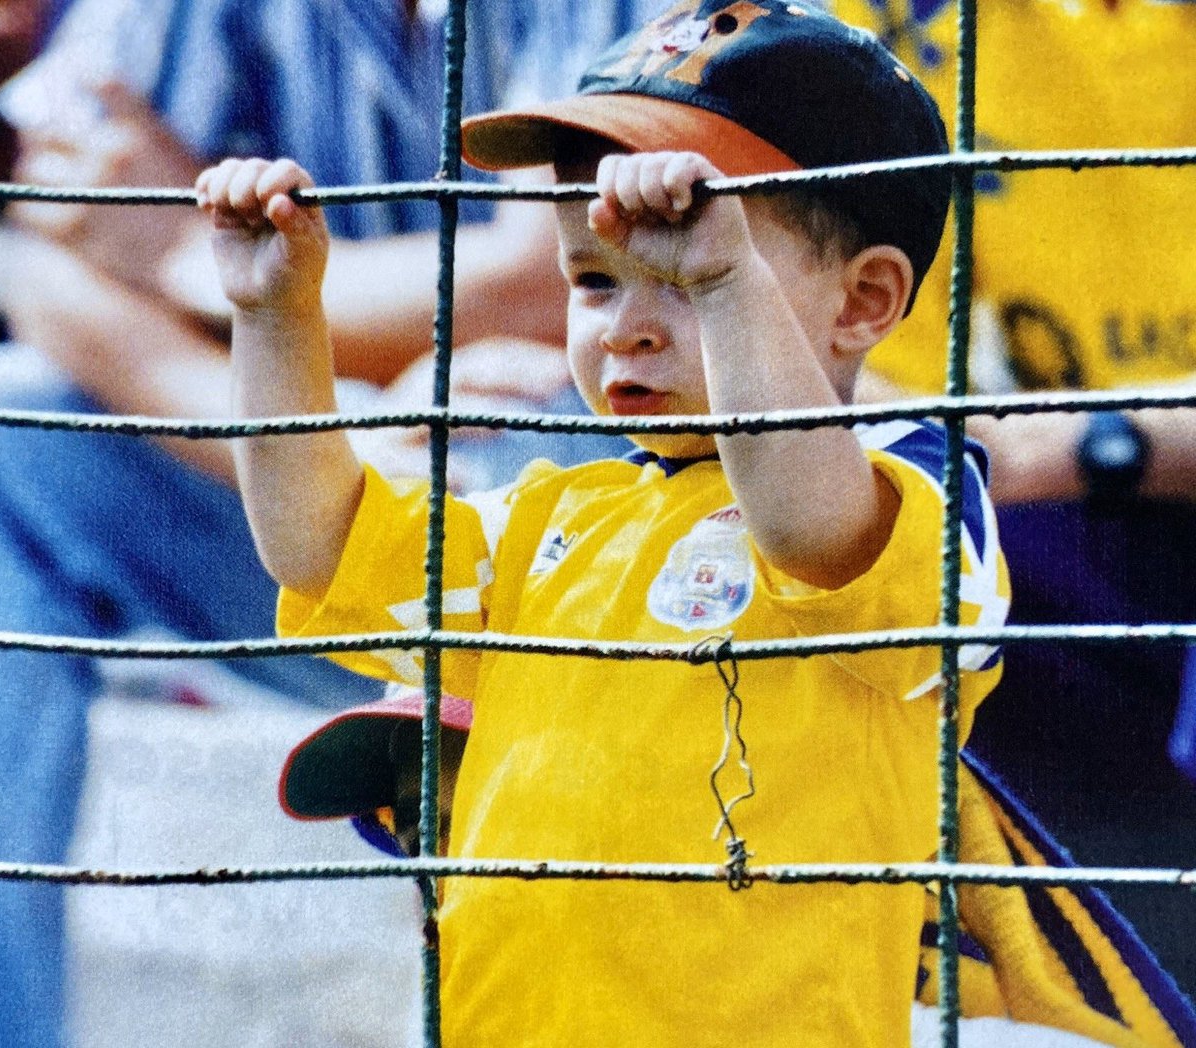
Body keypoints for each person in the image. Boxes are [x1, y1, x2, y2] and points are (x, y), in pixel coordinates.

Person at [199, 5, 1018, 1044]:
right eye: (592, 278)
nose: (624, 325)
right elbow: (321, 539)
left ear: (864, 302)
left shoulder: (916, 495)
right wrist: (277, 320)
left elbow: (810, 530)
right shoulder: (553, 511)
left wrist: (729, 285)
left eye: (680, 277)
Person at [0, 0, 645, 1044]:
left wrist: (188, 263)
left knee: (552, 408)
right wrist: (294, 416)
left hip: (548, 508)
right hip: (311, 503)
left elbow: (551, 280)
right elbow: (32, 233)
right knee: (7, 436)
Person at [828, 0, 1196, 989]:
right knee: (911, 577)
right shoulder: (876, 23)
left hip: (1077, 467)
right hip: (1066, 523)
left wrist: (1087, 442)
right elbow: (843, 364)